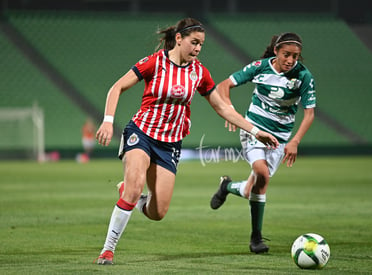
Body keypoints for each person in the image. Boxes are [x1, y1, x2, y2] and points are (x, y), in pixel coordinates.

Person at [94, 17, 278, 265]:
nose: (198, 48)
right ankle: (108, 250)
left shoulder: (199, 72)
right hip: (142, 132)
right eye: (194, 42)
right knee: (136, 184)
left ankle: (130, 195)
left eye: (201, 44)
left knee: (158, 213)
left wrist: (256, 131)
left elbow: (221, 107)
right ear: (179, 39)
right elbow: (117, 87)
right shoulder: (155, 62)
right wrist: (107, 120)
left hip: (170, 144)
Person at [210, 32, 316, 254]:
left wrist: (295, 141)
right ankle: (256, 238)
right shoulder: (259, 66)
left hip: (280, 138)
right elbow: (223, 86)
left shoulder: (304, 76)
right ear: (276, 52)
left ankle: (226, 186)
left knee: (252, 190)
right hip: (254, 129)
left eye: (295, 56)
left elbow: (309, 114)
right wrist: (230, 112)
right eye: (286, 54)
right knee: (262, 173)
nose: (290, 60)